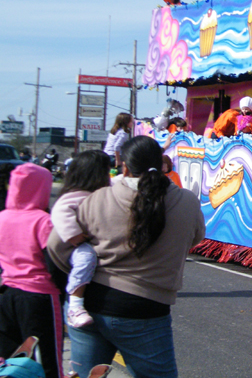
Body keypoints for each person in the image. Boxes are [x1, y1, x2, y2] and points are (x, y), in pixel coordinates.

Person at [48, 136, 205, 378]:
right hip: (146, 309)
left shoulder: (98, 197)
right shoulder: (186, 201)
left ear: (125, 167)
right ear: (163, 164)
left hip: (90, 303)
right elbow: (194, 238)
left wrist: (80, 268)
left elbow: (56, 244)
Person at [0, 164, 64, 378]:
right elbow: (53, 263)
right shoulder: (42, 221)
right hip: (39, 295)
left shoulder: (2, 217)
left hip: (7, 293)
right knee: (46, 359)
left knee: (11, 359)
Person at [50, 151, 111, 329]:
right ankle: (75, 304)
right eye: (107, 171)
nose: (110, 175)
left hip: (85, 244)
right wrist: (74, 235)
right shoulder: (74, 196)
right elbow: (60, 212)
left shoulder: (101, 192)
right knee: (87, 258)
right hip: (75, 247)